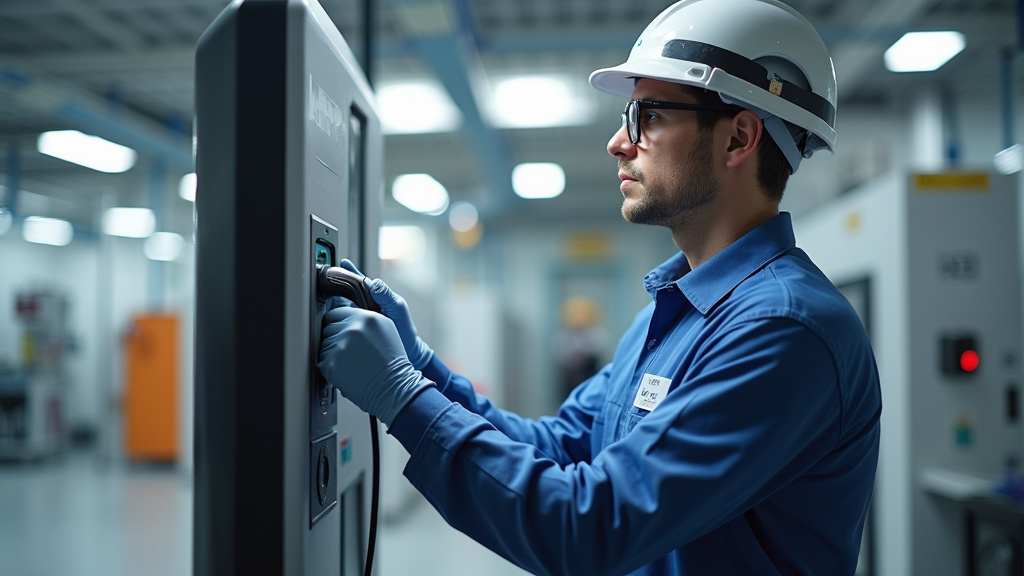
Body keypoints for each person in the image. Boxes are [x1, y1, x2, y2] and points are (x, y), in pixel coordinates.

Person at [318, 0, 881, 574]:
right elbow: (558, 447)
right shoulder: (670, 316)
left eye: (649, 117)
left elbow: (588, 528)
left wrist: (404, 398)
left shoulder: (782, 330)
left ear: (738, 138)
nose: (617, 142)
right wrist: (422, 367)